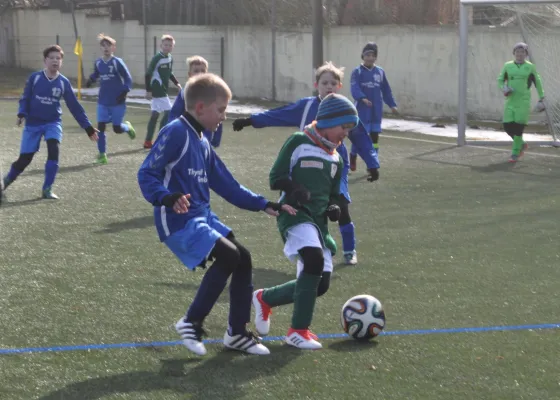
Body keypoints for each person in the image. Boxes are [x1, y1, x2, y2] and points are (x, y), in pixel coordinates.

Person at [138, 73, 296, 356]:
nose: (224, 116)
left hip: (201, 217)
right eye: (221, 110)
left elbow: (227, 185)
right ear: (200, 108)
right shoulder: (176, 132)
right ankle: (191, 321)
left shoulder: (202, 142)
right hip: (178, 219)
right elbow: (147, 172)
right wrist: (167, 197)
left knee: (242, 258)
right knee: (229, 255)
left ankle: (236, 333)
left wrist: (263, 203)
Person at [232, 61, 380, 265]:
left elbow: (361, 136)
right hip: (304, 171)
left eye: (333, 83)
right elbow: (278, 114)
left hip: (334, 167)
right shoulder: (306, 106)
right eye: (324, 82)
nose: (329, 86)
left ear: (339, 87)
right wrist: (251, 120)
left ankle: (349, 250)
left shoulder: (344, 109)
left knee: (341, 206)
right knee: (301, 206)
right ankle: (308, 250)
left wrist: (372, 162)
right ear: (316, 84)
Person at [252, 93, 358, 350]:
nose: (345, 133)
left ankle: (264, 298)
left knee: (319, 284)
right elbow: (276, 176)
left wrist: (334, 207)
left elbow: (334, 194)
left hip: (319, 224)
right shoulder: (299, 141)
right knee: (312, 259)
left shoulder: (337, 157)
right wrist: (294, 188)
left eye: (349, 129)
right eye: (343, 127)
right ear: (327, 120)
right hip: (294, 213)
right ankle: (297, 331)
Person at [2, 45, 98, 200]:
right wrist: (22, 113)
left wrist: (88, 127)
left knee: (54, 150)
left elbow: (75, 107)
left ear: (61, 62)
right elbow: (25, 98)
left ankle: (47, 189)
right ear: (45, 61)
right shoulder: (35, 78)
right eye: (51, 58)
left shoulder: (63, 82)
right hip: (33, 124)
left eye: (58, 58)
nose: (55, 61)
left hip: (53, 122)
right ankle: (5, 183)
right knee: (25, 159)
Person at [86, 33, 136, 165]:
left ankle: (127, 128)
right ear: (101, 48)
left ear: (113, 48)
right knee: (100, 126)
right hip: (103, 100)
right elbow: (97, 73)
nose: (106, 48)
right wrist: (91, 79)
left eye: (109, 46)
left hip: (117, 101)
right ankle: (102, 155)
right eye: (103, 46)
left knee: (116, 129)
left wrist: (125, 92)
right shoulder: (98, 62)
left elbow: (128, 78)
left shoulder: (117, 62)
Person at [349, 42, 398, 171]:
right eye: (367, 55)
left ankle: (373, 163)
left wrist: (392, 104)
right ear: (363, 56)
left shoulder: (380, 72)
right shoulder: (357, 72)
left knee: (375, 137)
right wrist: (363, 98)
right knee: (359, 136)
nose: (370, 57)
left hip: (376, 111)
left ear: (375, 57)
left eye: (372, 55)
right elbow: (354, 87)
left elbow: (386, 90)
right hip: (362, 110)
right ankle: (353, 155)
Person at [497, 42, 545, 162]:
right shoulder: (507, 66)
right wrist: (504, 88)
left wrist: (542, 97)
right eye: (517, 51)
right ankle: (522, 144)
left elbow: (537, 82)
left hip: (523, 101)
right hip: (510, 100)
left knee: (519, 127)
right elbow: (500, 79)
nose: (520, 54)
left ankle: (515, 153)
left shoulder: (530, 67)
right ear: (514, 53)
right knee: (507, 126)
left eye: (522, 52)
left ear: (526, 54)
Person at [168, 55, 223, 148]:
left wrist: (216, 139)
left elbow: (218, 116)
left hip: (206, 137)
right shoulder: (185, 92)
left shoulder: (213, 92)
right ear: (190, 74)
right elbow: (175, 113)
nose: (199, 74)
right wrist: (172, 131)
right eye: (196, 71)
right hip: (188, 135)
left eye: (202, 71)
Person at [144, 34, 181, 149]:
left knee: (155, 115)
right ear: (161, 45)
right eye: (165, 45)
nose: (167, 47)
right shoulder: (157, 58)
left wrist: (177, 83)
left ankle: (148, 141)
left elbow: (170, 73)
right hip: (157, 87)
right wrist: (148, 90)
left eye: (170, 45)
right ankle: (161, 138)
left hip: (163, 88)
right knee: (169, 112)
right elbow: (148, 74)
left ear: (173, 47)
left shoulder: (170, 58)